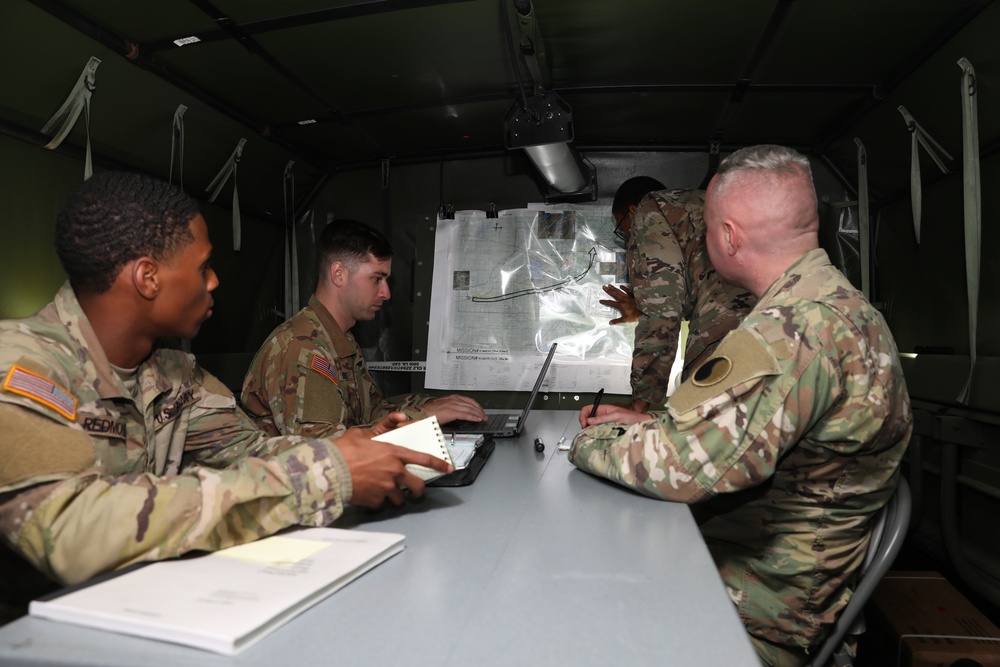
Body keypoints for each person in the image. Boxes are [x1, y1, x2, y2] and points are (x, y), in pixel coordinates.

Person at [0, 172, 451, 589]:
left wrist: (358, 446)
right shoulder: (25, 367)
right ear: (147, 278)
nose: (214, 282)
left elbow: (249, 449)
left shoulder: (174, 372)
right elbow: (70, 532)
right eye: (202, 268)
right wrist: (325, 473)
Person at [570, 145, 912, 666]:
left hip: (752, 614)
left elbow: (682, 472)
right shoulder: (833, 309)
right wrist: (651, 421)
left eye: (706, 230)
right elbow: (741, 423)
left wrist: (591, 439)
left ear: (727, 236)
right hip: (774, 586)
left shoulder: (792, 333)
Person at [242, 219, 486, 439]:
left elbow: (372, 411)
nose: (386, 293)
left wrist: (432, 407)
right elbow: (326, 450)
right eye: (376, 279)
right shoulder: (303, 347)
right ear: (339, 274)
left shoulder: (337, 337)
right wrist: (423, 418)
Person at [602, 176, 755, 412]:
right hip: (772, 319)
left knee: (705, 431)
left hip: (725, 330)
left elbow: (663, 312)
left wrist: (638, 404)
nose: (628, 235)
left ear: (632, 212)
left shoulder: (649, 209)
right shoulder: (708, 203)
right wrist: (641, 306)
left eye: (622, 228)